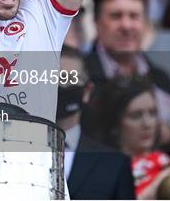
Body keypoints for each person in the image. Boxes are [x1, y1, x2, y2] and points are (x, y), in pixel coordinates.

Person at [82, 0, 170, 158]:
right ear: (96, 22)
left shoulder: (160, 78)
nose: (126, 25)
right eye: (116, 16)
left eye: (134, 16)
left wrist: (165, 134)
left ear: (146, 24)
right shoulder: (81, 76)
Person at [57, 45, 135, 199]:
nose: (62, 86)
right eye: (55, 79)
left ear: (87, 91)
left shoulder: (113, 164)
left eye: (71, 79)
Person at [96, 78, 170, 199]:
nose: (147, 123)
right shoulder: (99, 171)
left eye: (152, 113)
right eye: (135, 115)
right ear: (115, 124)